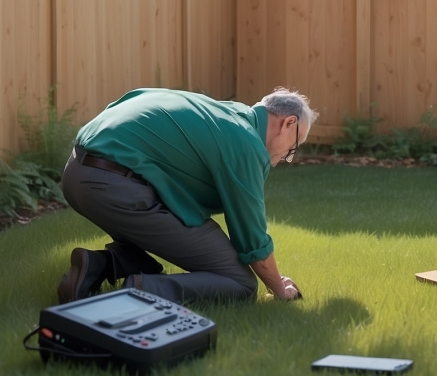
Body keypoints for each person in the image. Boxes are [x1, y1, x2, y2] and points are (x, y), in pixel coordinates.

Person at [56, 86, 316, 305]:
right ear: (288, 123)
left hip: (76, 174)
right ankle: (138, 293)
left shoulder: (224, 112)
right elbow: (252, 241)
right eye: (292, 149)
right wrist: (279, 289)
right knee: (240, 283)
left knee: (153, 262)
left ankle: (99, 265)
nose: (286, 158)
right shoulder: (246, 145)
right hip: (113, 186)